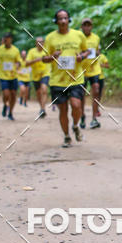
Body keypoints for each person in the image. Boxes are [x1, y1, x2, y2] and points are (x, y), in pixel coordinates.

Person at [44, 10, 88, 147]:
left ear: (69, 20)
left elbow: (86, 51)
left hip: (76, 78)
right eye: (60, 19)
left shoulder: (78, 35)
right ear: (56, 21)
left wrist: (82, 56)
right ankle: (67, 136)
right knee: (63, 110)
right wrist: (53, 56)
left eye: (65, 18)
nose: (63, 21)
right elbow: (44, 58)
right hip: (58, 81)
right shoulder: (50, 38)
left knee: (76, 105)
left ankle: (75, 125)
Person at [0, 32, 21, 121]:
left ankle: (11, 113)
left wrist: (17, 65)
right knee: (6, 94)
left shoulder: (15, 50)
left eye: (7, 39)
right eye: (4, 39)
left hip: (13, 75)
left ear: (10, 39)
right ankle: (5, 105)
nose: (5, 41)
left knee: (13, 95)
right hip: (3, 75)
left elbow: (18, 61)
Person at [80, 18, 101, 129]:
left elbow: (98, 51)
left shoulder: (96, 38)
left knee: (96, 90)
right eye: (85, 25)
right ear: (81, 27)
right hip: (82, 71)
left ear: (91, 27)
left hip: (94, 69)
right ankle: (82, 116)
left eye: (89, 25)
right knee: (82, 95)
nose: (87, 27)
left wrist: (97, 53)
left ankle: (94, 118)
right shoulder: (78, 37)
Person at [26, 37, 49, 118]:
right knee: (38, 93)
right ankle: (41, 108)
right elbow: (27, 63)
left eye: (41, 42)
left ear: (44, 43)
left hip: (45, 74)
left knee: (44, 89)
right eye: (38, 42)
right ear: (36, 43)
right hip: (35, 76)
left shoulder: (47, 51)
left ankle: (43, 109)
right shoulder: (31, 52)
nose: (40, 43)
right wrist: (36, 60)